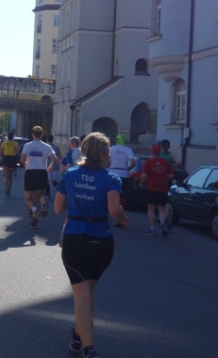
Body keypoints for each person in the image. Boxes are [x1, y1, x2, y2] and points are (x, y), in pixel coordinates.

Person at [55, 132, 130, 358]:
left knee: (82, 296)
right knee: (87, 293)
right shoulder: (111, 179)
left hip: (75, 238)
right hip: (101, 241)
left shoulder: (70, 174)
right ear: (103, 154)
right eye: (108, 152)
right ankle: (78, 337)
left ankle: (89, 349)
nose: (110, 156)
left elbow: (58, 208)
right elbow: (114, 210)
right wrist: (125, 221)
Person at [20, 126, 57, 228]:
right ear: (42, 135)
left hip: (30, 172)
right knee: (37, 196)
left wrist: (25, 164)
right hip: (42, 173)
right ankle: (35, 218)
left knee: (27, 199)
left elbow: (22, 159)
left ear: (32, 134)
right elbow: (55, 159)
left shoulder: (27, 145)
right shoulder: (46, 146)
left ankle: (34, 210)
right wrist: (51, 167)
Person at [140, 144, 173, 237]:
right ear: (160, 152)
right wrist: (164, 178)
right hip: (163, 188)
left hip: (152, 188)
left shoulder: (148, 162)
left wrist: (141, 182)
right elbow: (171, 175)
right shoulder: (165, 162)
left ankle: (152, 229)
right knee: (161, 208)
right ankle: (162, 222)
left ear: (151, 151)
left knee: (151, 208)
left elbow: (144, 175)